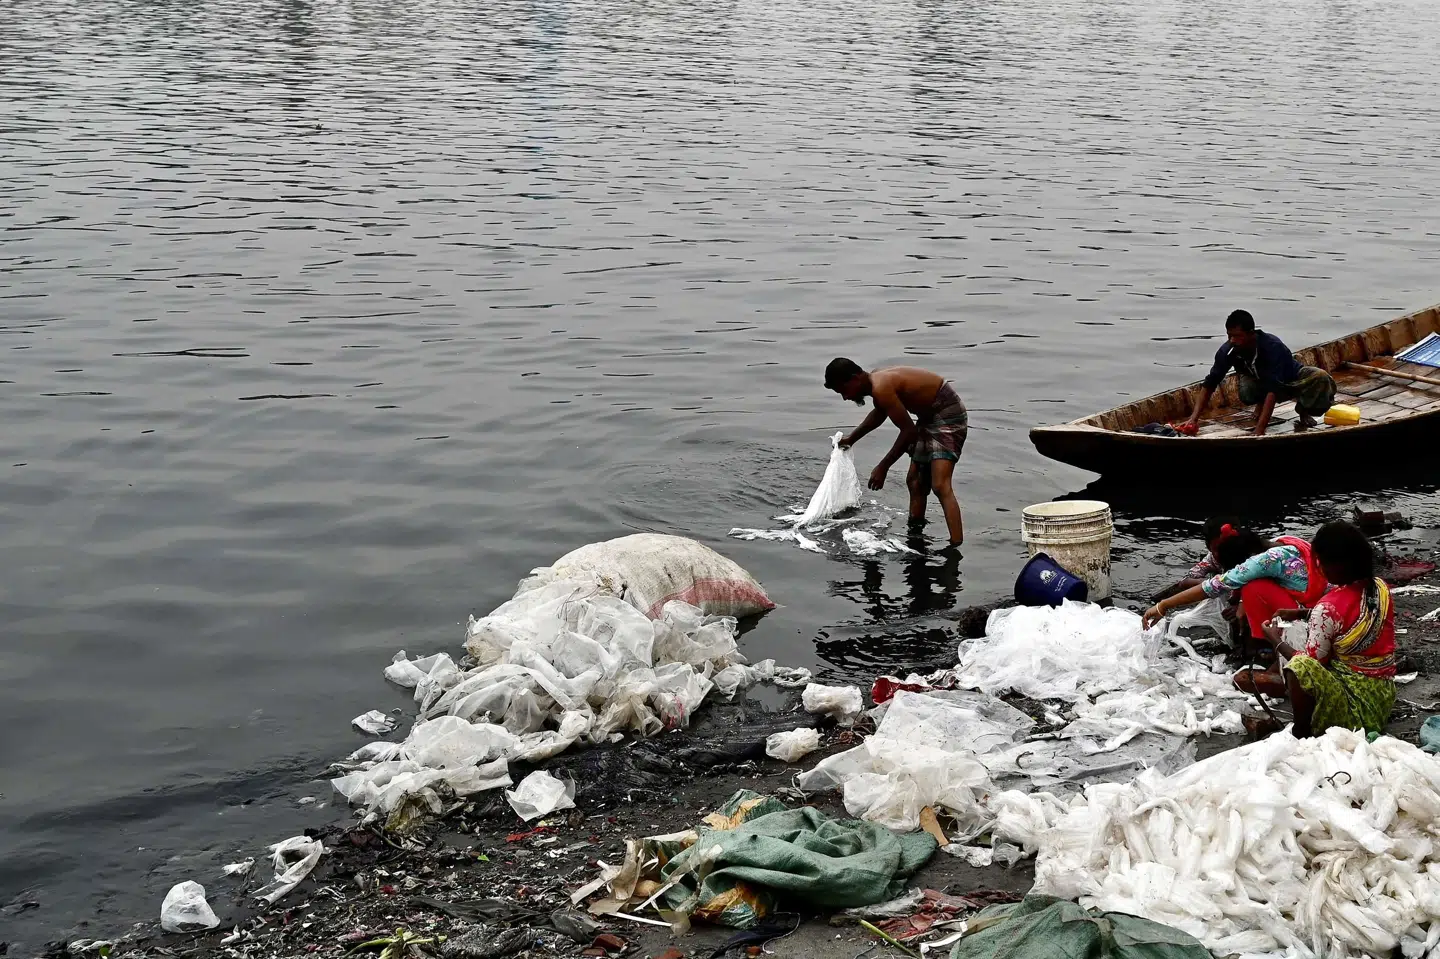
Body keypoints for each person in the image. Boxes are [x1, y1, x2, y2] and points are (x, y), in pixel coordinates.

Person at [1142, 525, 1328, 691]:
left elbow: (1213, 586)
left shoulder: (1265, 560)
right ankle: (1271, 650)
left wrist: (1163, 605)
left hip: (1308, 618)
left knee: (1253, 588)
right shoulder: (1284, 543)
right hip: (1318, 607)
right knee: (1250, 587)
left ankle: (1280, 659)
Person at [1263, 521, 1395, 737]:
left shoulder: (1328, 607)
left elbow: (1309, 666)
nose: (1319, 567)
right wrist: (1300, 613)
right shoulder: (1380, 587)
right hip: (1381, 697)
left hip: (1356, 712)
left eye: (1321, 562)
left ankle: (1302, 731)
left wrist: (1275, 640)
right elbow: (1350, 618)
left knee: (1299, 666)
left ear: (1337, 565)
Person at [825, 359, 967, 547]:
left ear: (854, 378)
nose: (845, 397)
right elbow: (879, 413)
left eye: (843, 391)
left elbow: (909, 432)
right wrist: (851, 439)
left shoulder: (881, 386)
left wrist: (883, 467)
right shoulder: (876, 383)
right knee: (915, 482)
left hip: (947, 414)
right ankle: (916, 535)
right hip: (927, 417)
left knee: (940, 485)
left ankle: (955, 547)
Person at [1183, 309, 1337, 435]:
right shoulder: (1228, 350)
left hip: (1290, 379)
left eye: (1237, 336)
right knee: (1246, 391)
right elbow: (1210, 383)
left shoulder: (1272, 347)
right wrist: (1193, 419)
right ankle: (1259, 402)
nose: (1232, 340)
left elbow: (1273, 390)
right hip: (1259, 380)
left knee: (1320, 377)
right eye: (1229, 335)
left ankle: (1303, 410)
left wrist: (1260, 430)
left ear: (1251, 334)